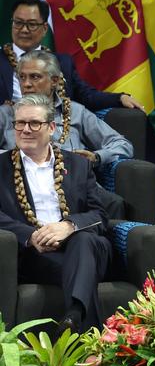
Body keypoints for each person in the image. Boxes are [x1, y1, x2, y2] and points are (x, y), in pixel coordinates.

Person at [0, 93, 110, 332]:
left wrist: (68, 226)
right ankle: (77, 319)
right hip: (35, 255)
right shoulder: (1, 167)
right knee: (83, 266)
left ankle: (74, 316)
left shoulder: (78, 165)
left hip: (85, 248)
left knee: (84, 239)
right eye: (19, 123)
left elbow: (100, 216)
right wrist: (30, 236)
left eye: (34, 123)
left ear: (51, 128)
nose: (25, 130)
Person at [0, 50, 133, 218]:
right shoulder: (6, 114)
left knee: (113, 204)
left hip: (74, 183)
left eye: (34, 77)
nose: (26, 84)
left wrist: (96, 157)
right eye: (22, 77)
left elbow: (123, 144)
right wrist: (11, 157)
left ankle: (101, 243)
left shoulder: (75, 111)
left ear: (54, 80)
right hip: (23, 185)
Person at [1, 0, 144, 111]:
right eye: (18, 23)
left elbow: (87, 96)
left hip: (57, 132)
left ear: (44, 28)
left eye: (31, 24)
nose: (24, 30)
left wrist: (120, 98)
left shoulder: (62, 63)